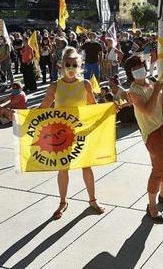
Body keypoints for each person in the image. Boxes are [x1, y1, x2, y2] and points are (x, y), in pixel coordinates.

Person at [38, 47, 104, 219]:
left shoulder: (85, 84)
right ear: (62, 65)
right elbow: (43, 108)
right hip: (61, 135)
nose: (71, 67)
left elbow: (93, 107)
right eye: (68, 64)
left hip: (81, 132)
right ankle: (62, 201)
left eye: (74, 64)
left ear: (80, 65)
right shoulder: (55, 86)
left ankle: (92, 200)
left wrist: (111, 109)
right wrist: (21, 115)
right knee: (63, 169)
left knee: (86, 166)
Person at [126, 55, 163, 224]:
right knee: (158, 169)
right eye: (134, 68)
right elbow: (147, 111)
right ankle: (151, 206)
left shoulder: (152, 80)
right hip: (153, 131)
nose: (138, 70)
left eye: (140, 66)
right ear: (130, 73)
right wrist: (156, 90)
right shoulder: (133, 91)